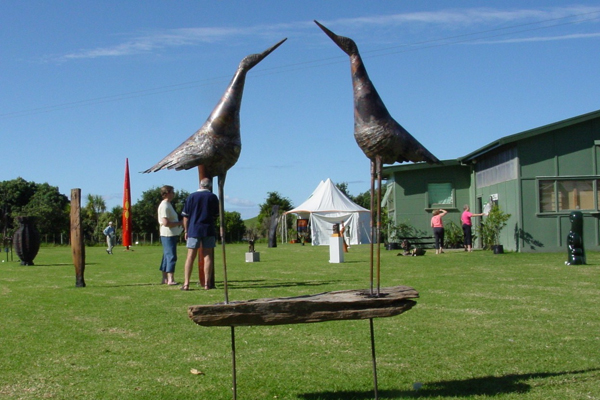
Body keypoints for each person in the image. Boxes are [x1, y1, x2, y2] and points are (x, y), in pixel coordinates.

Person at [180, 178, 219, 291]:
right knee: (208, 256)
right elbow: (216, 214)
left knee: (190, 256)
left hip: (193, 229)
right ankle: (207, 284)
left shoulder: (191, 197)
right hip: (208, 229)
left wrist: (186, 230)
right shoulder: (213, 197)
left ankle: (186, 283)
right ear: (210, 186)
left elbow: (185, 216)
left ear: (200, 184)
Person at [158, 185, 184, 285]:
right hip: (168, 234)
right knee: (171, 256)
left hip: (170, 234)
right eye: (172, 192)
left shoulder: (168, 204)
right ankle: (170, 279)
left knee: (166, 255)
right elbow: (166, 223)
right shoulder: (164, 205)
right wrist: (180, 223)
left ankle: (165, 278)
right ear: (167, 193)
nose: (174, 194)